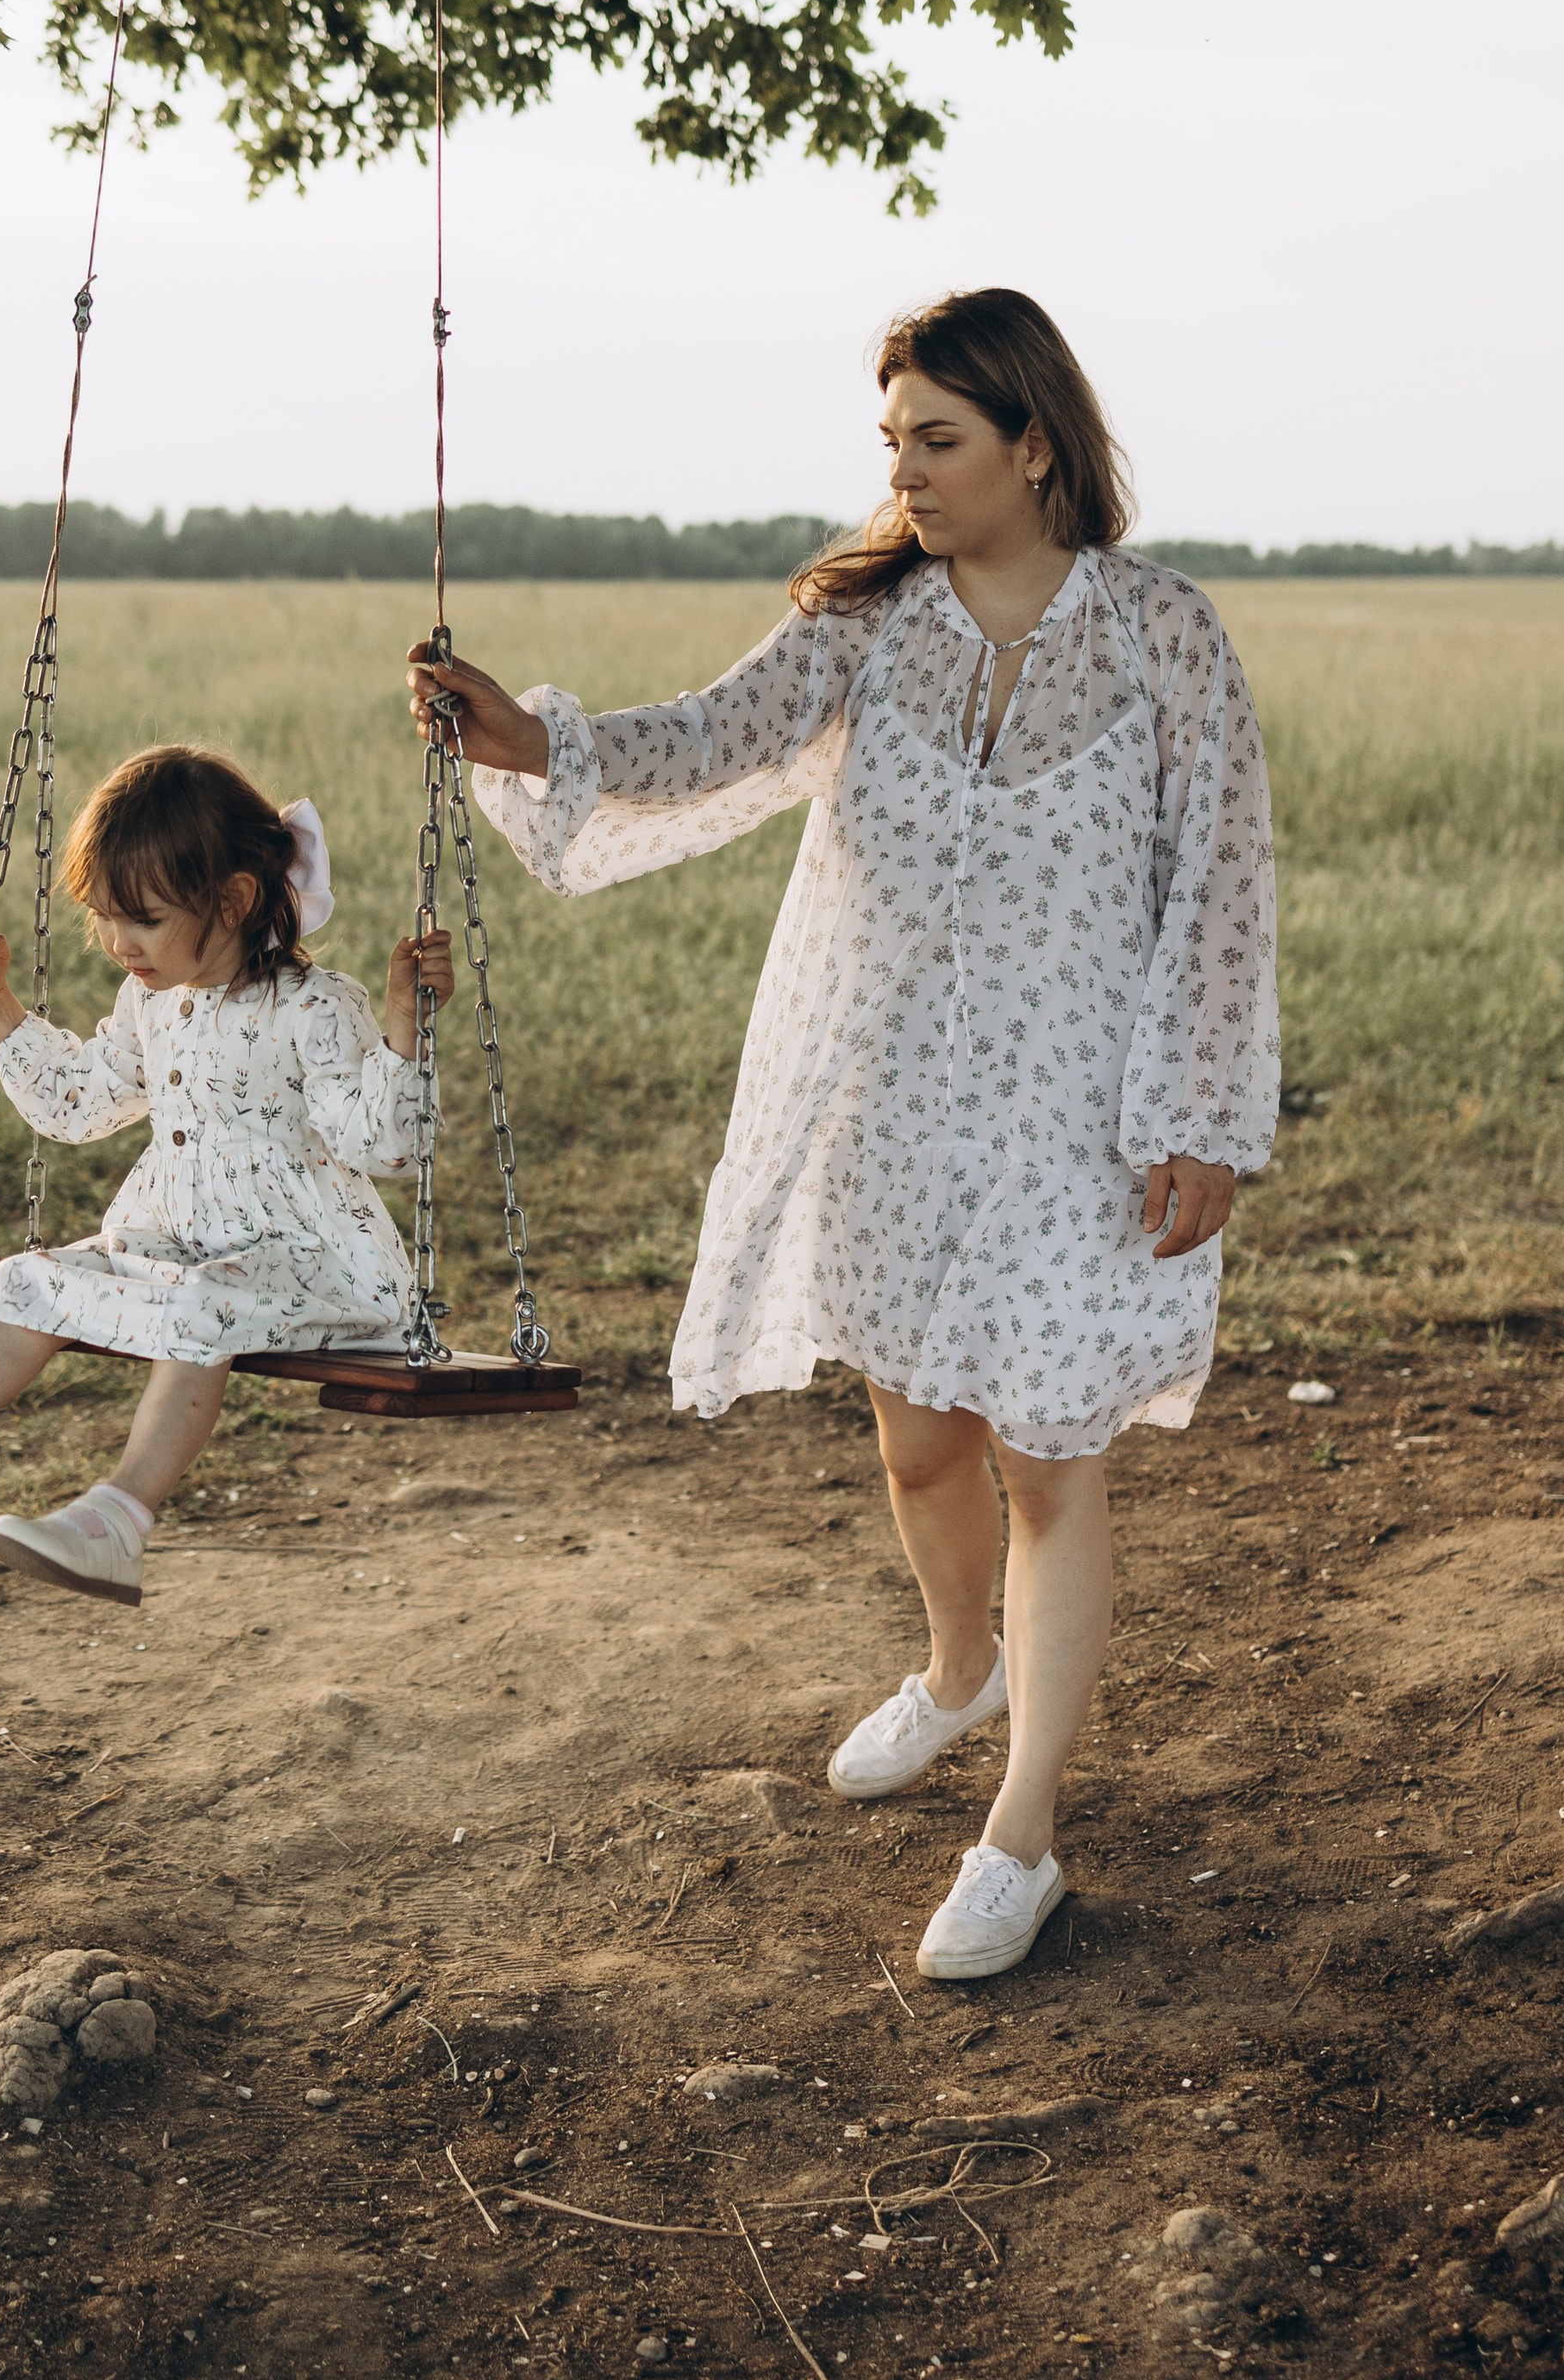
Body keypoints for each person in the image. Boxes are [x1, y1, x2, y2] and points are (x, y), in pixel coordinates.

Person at [409, 289, 1278, 1979]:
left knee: (1044, 1464)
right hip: (883, 1104)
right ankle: (960, 1670)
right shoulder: (861, 622)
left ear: (1033, 442)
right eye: (890, 442)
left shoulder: (1164, 636)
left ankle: (1016, 1836)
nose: (905, 472)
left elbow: (1220, 889)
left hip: (1076, 1130)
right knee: (917, 1451)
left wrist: (1200, 1117)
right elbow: (705, 738)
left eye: (936, 442)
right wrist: (524, 736)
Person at [0, 745, 454, 1607]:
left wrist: (404, 1027)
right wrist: (0, 1007)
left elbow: (385, 1145)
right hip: (176, 1243)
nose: (119, 943)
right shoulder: (152, 1001)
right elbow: (81, 1105)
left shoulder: (313, 1006)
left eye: (143, 919)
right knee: (34, 1280)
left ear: (232, 899)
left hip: (310, 1262)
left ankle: (117, 1522)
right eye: (103, 918)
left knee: (201, 1308)